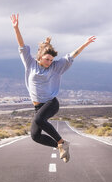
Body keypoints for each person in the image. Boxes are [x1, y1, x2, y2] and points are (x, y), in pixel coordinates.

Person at [10, 13, 96, 163]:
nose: (50, 62)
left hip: (51, 103)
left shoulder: (56, 67)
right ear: (40, 56)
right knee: (35, 136)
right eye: (47, 59)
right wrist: (16, 28)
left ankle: (62, 142)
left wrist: (85, 44)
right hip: (38, 106)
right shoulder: (30, 63)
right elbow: (22, 46)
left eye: (51, 59)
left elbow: (72, 55)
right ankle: (60, 146)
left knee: (39, 119)